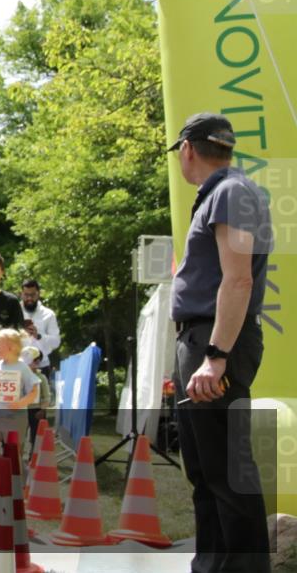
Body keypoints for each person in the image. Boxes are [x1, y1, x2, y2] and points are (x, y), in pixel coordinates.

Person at [168, 112, 273, 573]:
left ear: (187, 148)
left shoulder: (232, 192)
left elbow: (238, 281)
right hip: (201, 337)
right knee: (206, 472)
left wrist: (215, 357)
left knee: (228, 473)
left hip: (215, 341)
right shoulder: (222, 193)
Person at [0, 329, 38, 464]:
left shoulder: (23, 368)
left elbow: (34, 391)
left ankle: (13, 482)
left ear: (11, 347)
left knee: (13, 455)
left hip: (15, 420)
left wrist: (21, 403)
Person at [19, 278, 60, 378]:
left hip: (41, 366)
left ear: (38, 294)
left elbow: (56, 342)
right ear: (21, 294)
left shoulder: (49, 314)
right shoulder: (15, 312)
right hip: (18, 364)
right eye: (26, 295)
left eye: (32, 295)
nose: (29, 298)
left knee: (42, 393)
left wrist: (39, 336)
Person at [20, 346, 51, 454]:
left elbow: (46, 396)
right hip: (20, 410)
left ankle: (33, 456)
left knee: (36, 436)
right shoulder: (18, 375)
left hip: (35, 411)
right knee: (19, 435)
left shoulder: (41, 377)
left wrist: (42, 410)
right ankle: (18, 455)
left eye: (37, 360)